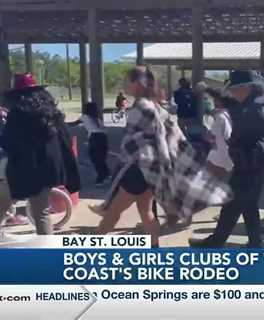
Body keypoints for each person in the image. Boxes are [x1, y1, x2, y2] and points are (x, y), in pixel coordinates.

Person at [96, 66, 231, 247]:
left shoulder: (142, 107)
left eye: (127, 80)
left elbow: (153, 141)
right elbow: (171, 139)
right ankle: (154, 248)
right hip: (150, 171)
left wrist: (159, 166)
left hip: (140, 169)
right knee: (145, 211)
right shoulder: (155, 106)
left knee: (112, 212)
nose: (124, 84)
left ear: (137, 83)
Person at [189, 70, 264, 248]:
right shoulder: (240, 103)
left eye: (234, 89)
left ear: (247, 88)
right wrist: (207, 88)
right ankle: (255, 243)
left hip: (253, 163)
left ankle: (216, 242)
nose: (231, 92)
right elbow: (222, 97)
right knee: (249, 203)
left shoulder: (259, 110)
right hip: (248, 161)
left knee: (232, 204)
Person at [1, 73, 80, 235]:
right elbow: (64, 138)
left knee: (10, 202)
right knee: (40, 211)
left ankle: (46, 251)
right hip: (51, 167)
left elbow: (9, 142)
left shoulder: (17, 113)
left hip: (26, 168)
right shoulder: (51, 111)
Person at [68, 102, 110, 186]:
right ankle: (106, 174)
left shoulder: (84, 117)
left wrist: (61, 122)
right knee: (101, 158)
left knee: (95, 158)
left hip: (95, 138)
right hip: (103, 137)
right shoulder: (97, 117)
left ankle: (100, 179)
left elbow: (73, 124)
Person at [204, 87, 234, 180]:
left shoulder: (220, 117)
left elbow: (215, 139)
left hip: (217, 156)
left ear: (220, 101)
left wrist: (207, 135)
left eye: (215, 99)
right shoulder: (228, 114)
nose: (213, 101)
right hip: (227, 155)